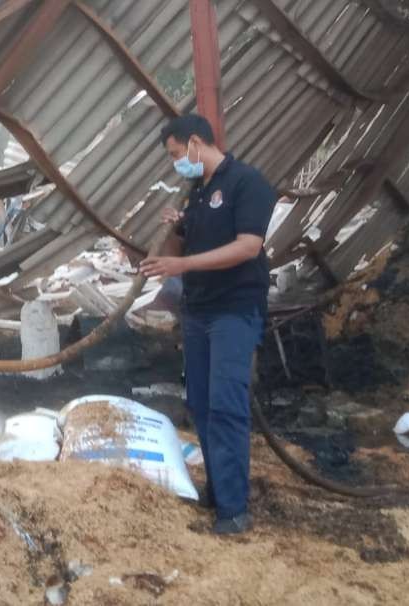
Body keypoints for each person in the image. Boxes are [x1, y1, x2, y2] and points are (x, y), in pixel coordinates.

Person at [139, 114, 276, 535]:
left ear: (196, 142)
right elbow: (183, 247)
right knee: (199, 404)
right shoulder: (198, 193)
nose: (177, 163)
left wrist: (182, 263)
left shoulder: (246, 183)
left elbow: (247, 247)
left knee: (225, 406)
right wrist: (173, 230)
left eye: (177, 154)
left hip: (233, 311)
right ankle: (218, 494)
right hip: (198, 311)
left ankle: (234, 511)